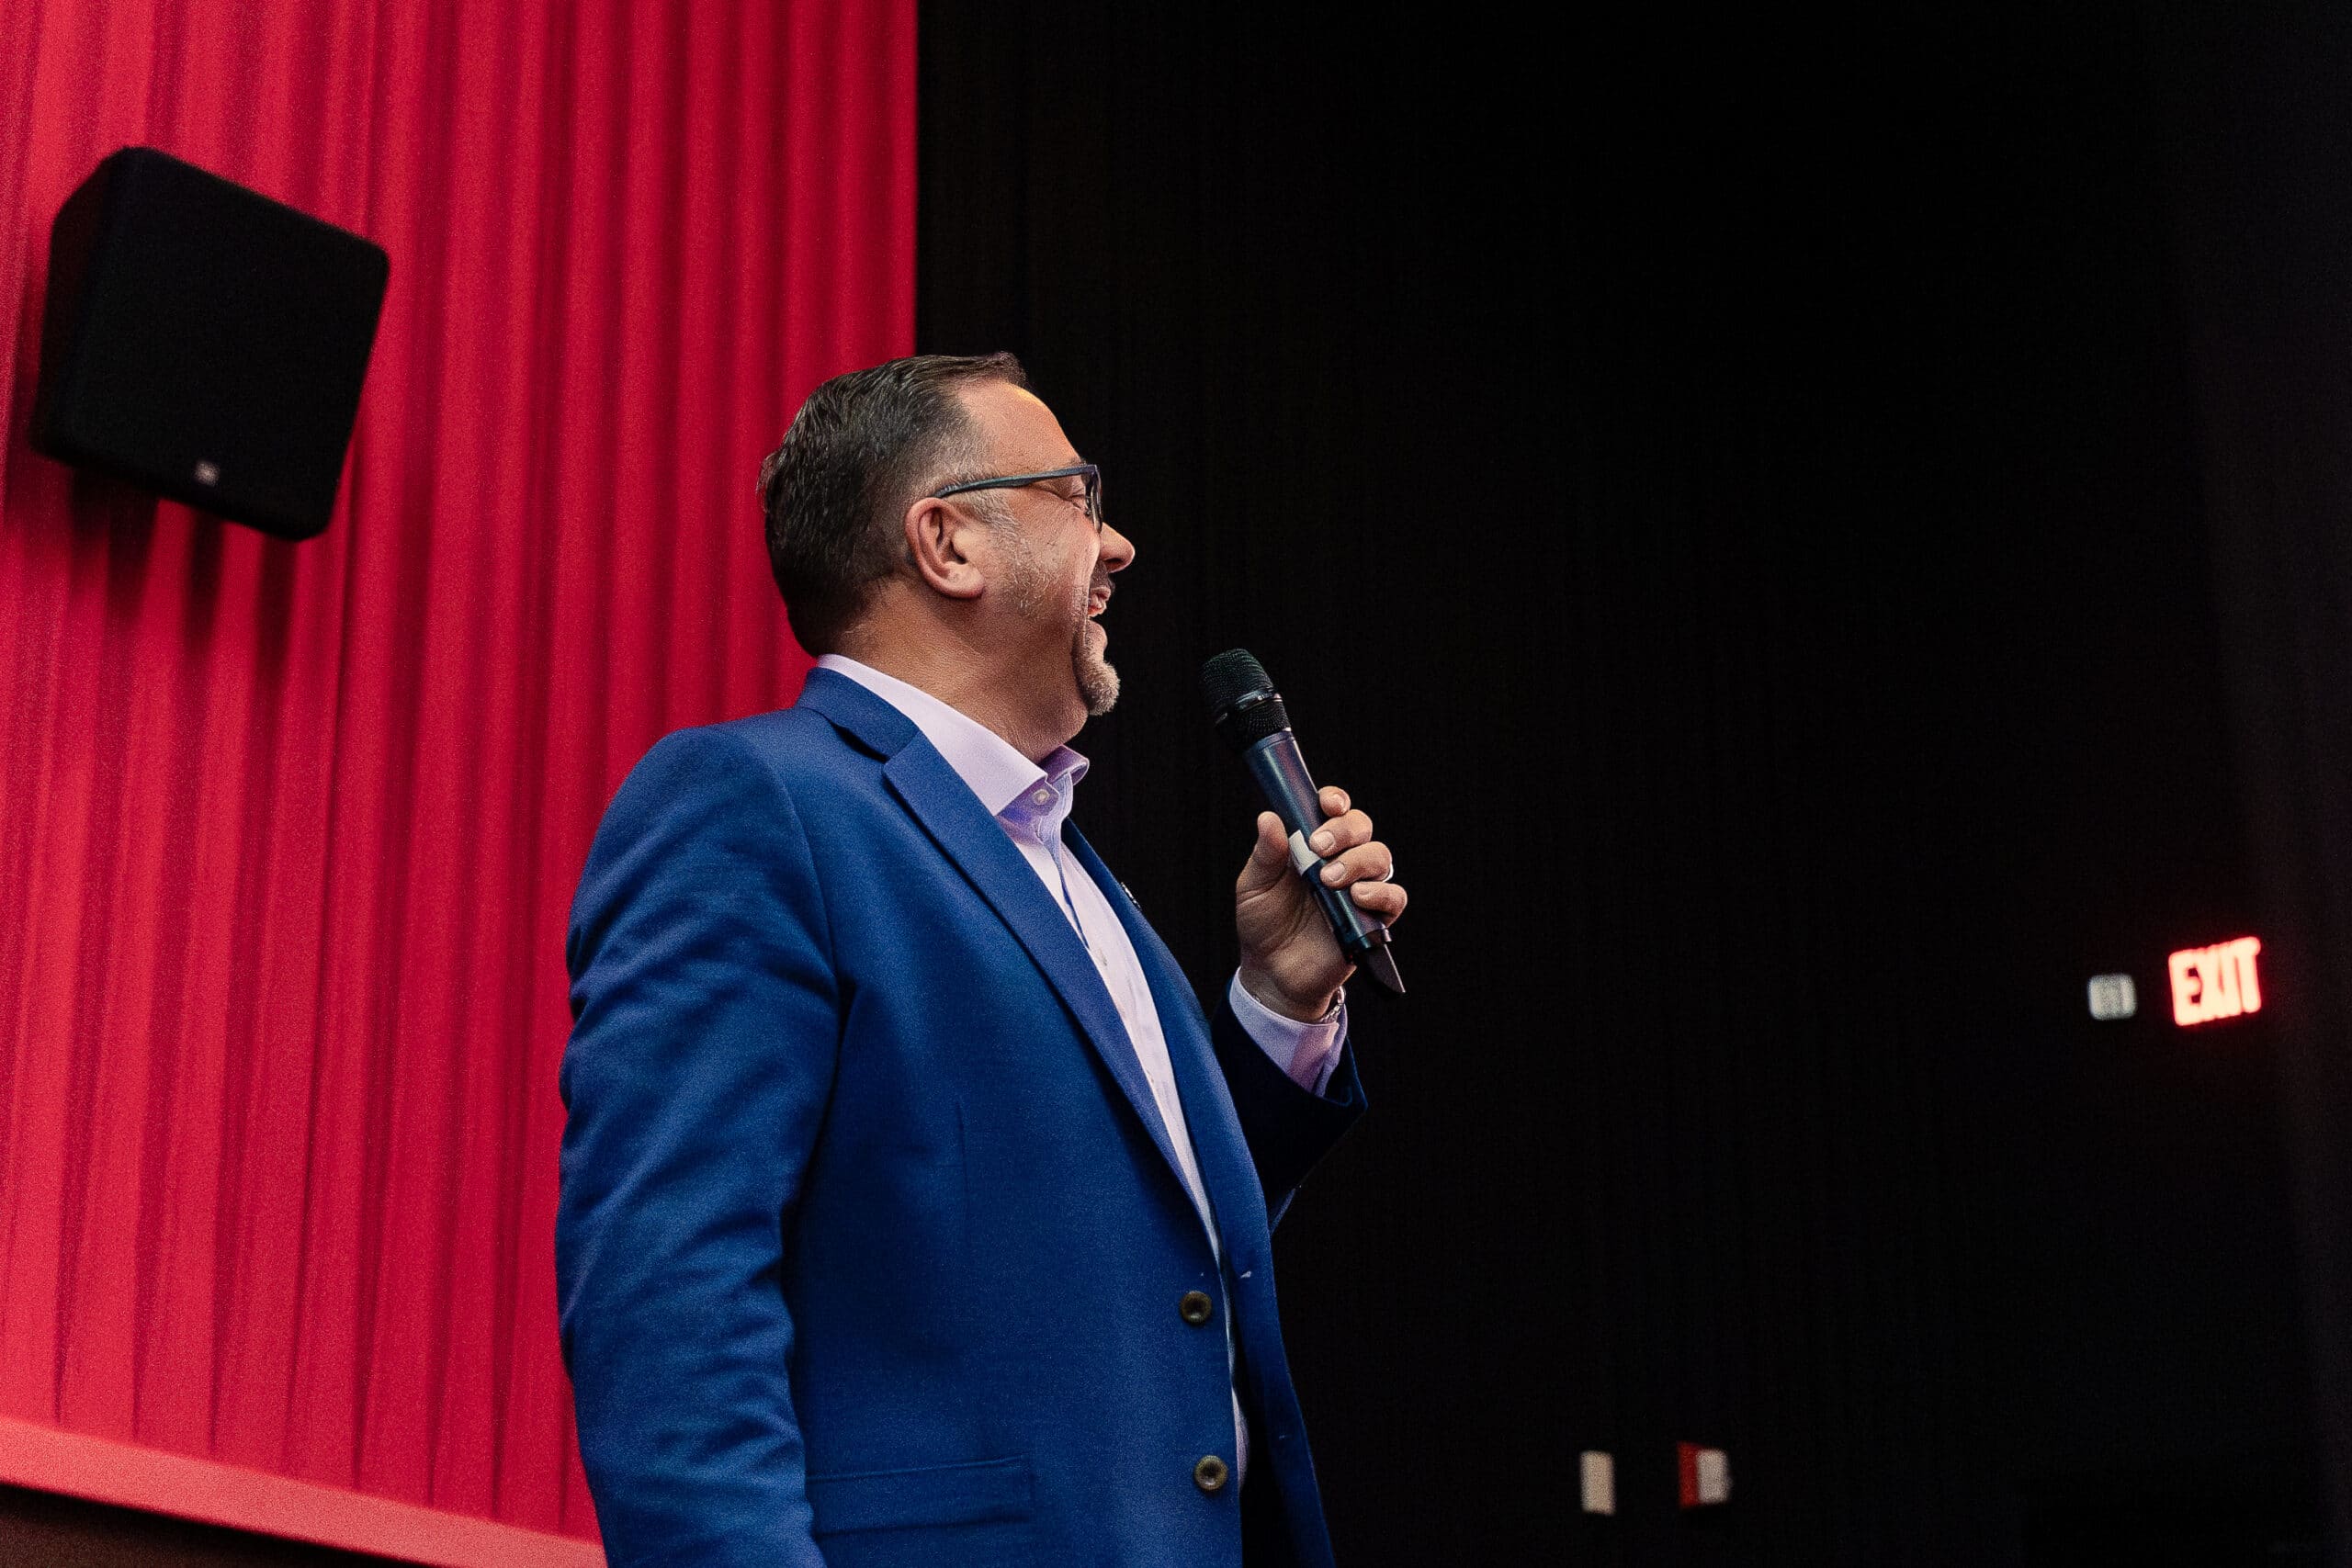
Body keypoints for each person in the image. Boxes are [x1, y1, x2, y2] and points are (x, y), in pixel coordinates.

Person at [556, 354, 1407, 1567]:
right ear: (947, 544)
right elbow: (668, 1298)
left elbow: (1158, 1257)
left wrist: (1278, 1003)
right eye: (1079, 496)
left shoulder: (1075, 874)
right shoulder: (756, 804)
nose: (1119, 548)